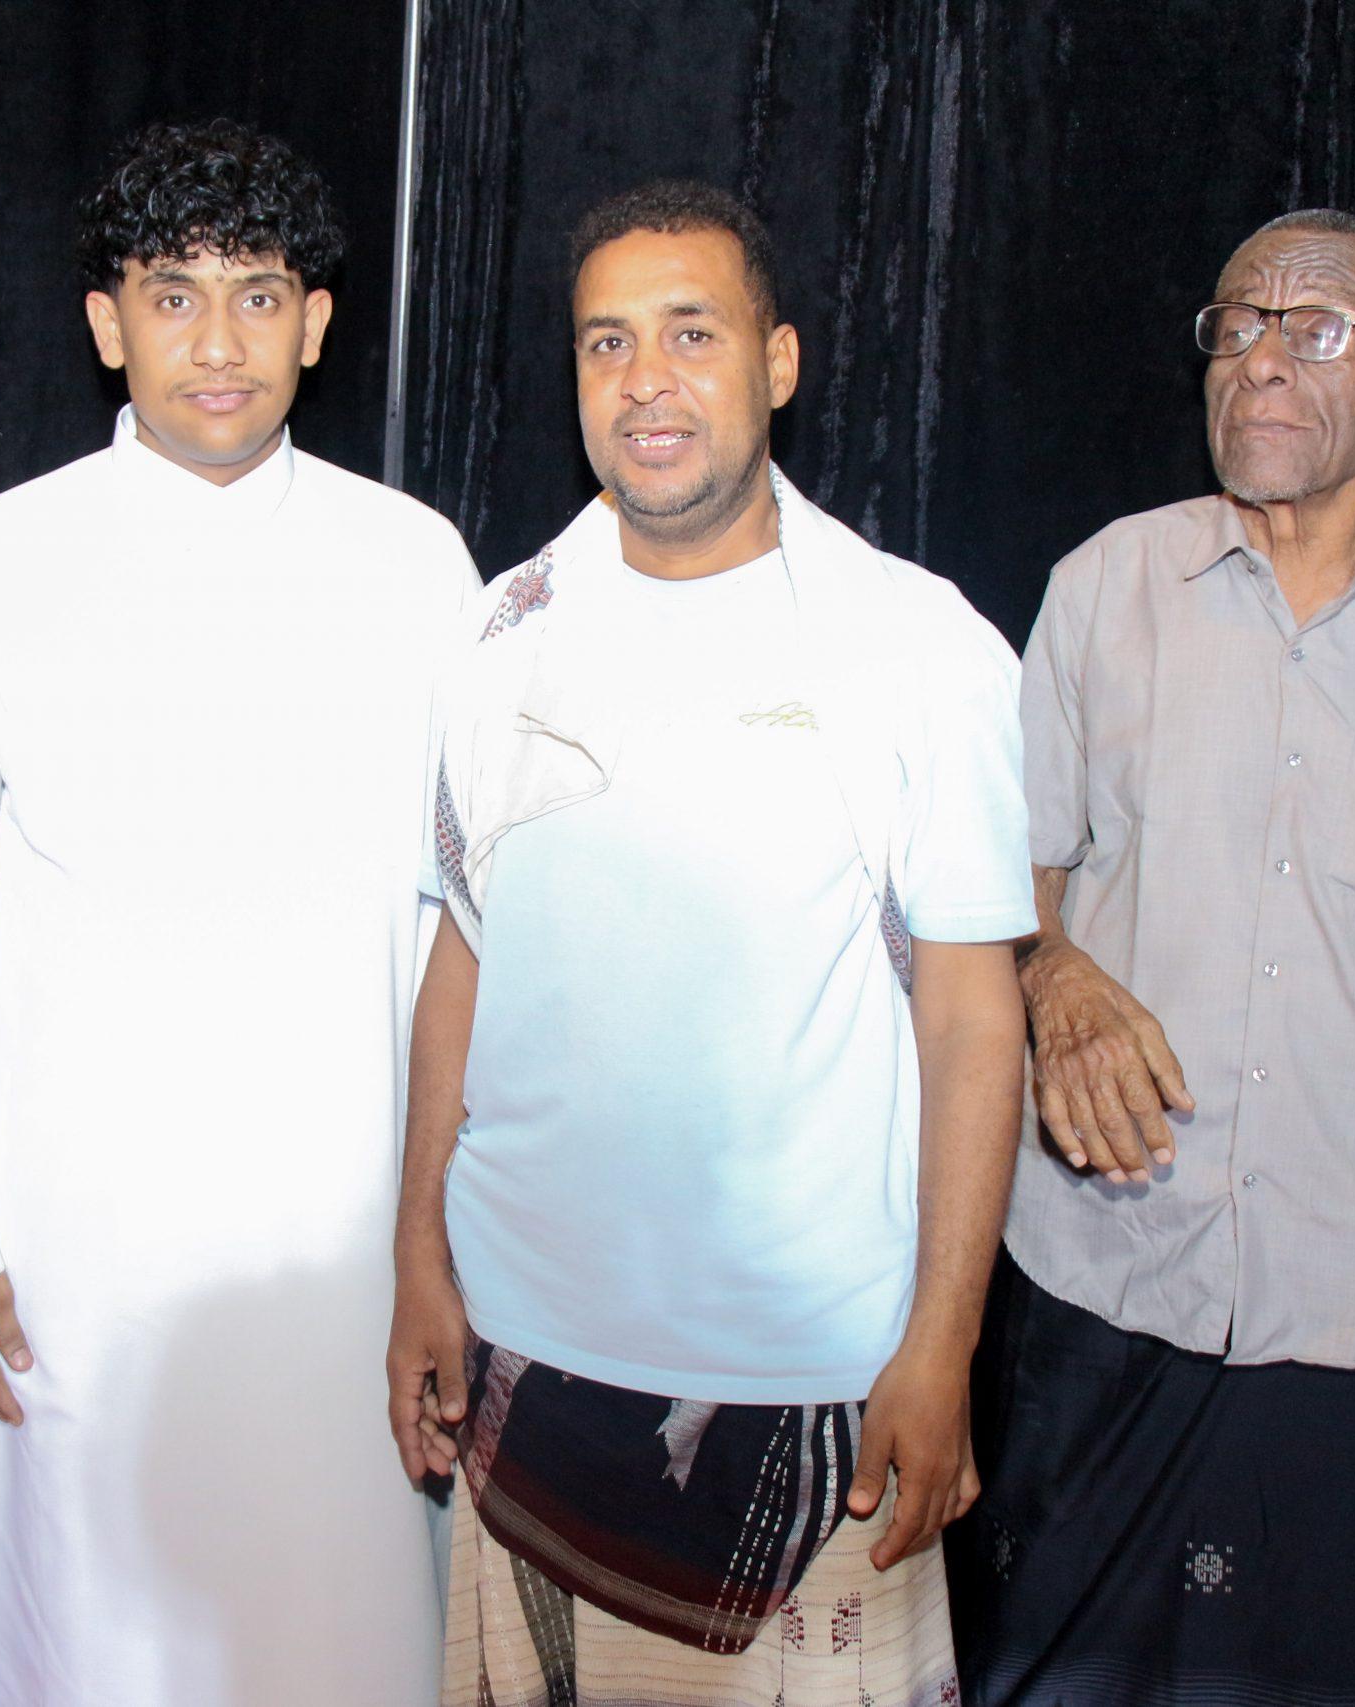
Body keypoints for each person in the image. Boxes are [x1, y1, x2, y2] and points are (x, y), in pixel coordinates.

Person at [0, 120, 482, 1706]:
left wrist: (449, 1229)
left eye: (257, 297)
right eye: (173, 296)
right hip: (79, 1250)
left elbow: (463, 924)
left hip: (347, 1234)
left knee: (348, 1633)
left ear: (315, 324)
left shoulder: (415, 566)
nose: (217, 342)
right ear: (105, 323)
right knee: (101, 1638)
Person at [951, 209, 1355, 1706]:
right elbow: (998, 888)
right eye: (1238, 323)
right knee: (1051, 1677)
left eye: (1318, 331)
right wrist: (1054, 976)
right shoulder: (1104, 585)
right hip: (1109, 1278)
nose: (1260, 358)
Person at [391, 180, 1035, 1707]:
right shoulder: (498, 637)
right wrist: (416, 1252)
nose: (645, 381)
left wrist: (942, 1346)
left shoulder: (916, 647)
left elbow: (971, 1019)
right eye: (606, 342)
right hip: (524, 1358)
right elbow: (462, 957)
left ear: (780, 361)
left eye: (692, 333)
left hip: (810, 1383)